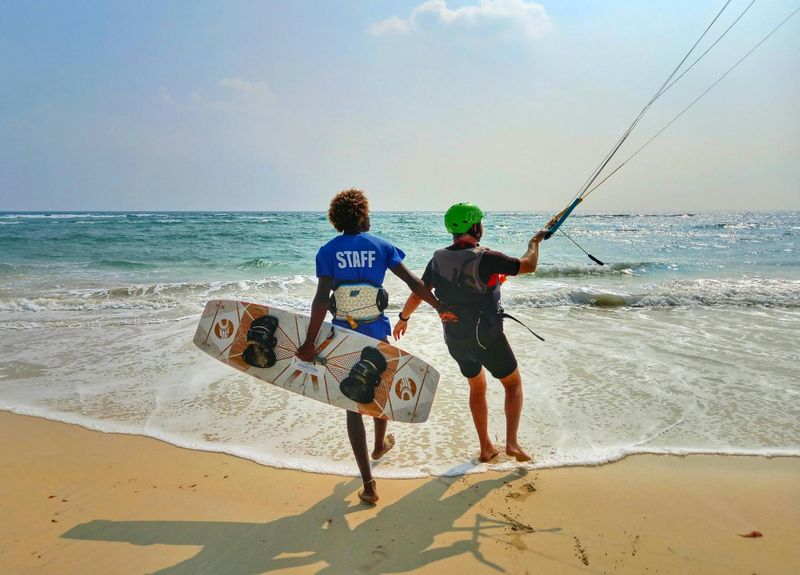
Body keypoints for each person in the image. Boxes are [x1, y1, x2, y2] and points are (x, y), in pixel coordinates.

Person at [296, 188, 444, 505]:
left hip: (343, 337)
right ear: (362, 214)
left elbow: (322, 299)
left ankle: (369, 482)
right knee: (377, 391)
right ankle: (379, 446)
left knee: (353, 404)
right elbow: (414, 283)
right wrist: (439, 307)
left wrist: (309, 342)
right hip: (376, 332)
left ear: (338, 220)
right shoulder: (382, 246)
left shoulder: (328, 251)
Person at [393, 202, 545, 463]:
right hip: (487, 335)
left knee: (477, 387)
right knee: (512, 384)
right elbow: (528, 265)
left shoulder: (438, 258)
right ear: (475, 226)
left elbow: (419, 292)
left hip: (455, 338)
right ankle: (511, 444)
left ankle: (486, 447)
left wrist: (403, 318)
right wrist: (535, 242)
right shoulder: (486, 257)